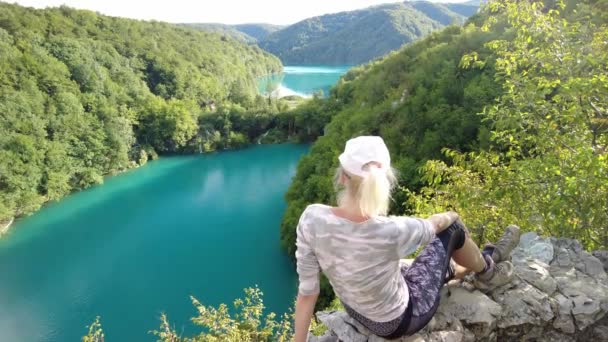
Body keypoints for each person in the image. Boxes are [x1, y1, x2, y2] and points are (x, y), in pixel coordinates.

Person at [294, 136, 520, 341]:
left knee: (423, 266)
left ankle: (479, 262)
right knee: (454, 231)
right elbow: (437, 225)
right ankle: (489, 271)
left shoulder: (311, 218)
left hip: (356, 309)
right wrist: (453, 214)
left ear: (343, 177)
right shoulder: (391, 230)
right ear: (384, 181)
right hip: (399, 320)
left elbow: (308, 293)